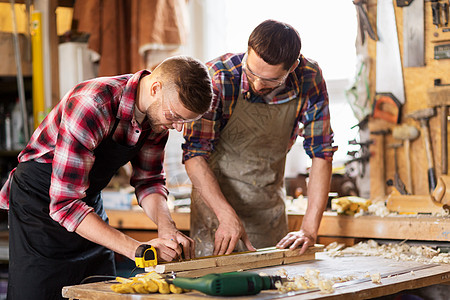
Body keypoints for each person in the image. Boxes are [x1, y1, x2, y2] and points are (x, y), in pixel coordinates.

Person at [0, 55, 213, 299]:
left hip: (86, 201)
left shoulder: (157, 119)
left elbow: (149, 181)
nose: (177, 127)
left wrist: (167, 228)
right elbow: (64, 205)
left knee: (102, 292)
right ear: (155, 88)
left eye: (185, 121)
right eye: (175, 116)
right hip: (40, 206)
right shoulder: (92, 105)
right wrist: (139, 250)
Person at [183, 20, 337, 257]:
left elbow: (321, 153)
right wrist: (225, 215)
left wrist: (308, 229)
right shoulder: (218, 77)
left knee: (271, 287)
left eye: (270, 80)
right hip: (215, 210)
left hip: (268, 210)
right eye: (251, 72)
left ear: (292, 67)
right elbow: (194, 156)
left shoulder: (309, 78)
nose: (257, 84)